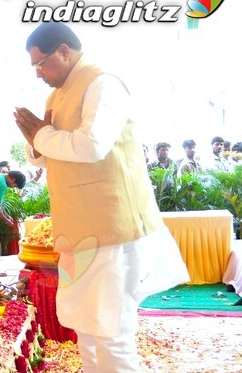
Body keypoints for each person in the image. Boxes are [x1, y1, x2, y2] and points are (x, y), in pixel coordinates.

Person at [13, 22, 189, 372]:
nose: (38, 75)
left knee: (111, 328)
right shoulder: (57, 94)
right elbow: (49, 151)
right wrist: (37, 139)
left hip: (109, 227)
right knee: (86, 326)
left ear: (64, 51)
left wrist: (43, 135)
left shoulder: (102, 83)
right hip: (78, 229)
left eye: (41, 64)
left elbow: (91, 145)